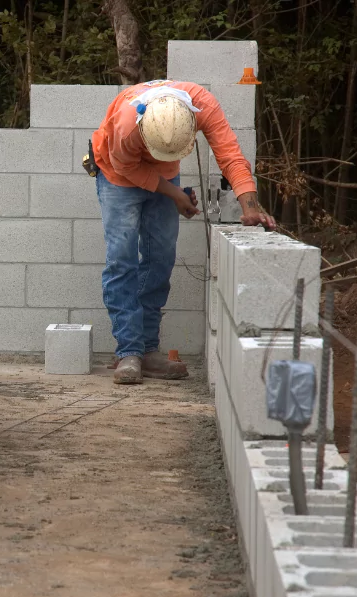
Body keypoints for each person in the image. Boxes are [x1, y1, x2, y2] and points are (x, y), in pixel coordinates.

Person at [91, 79, 276, 385]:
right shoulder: (126, 123)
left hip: (164, 175)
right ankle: (129, 352)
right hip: (118, 176)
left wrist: (251, 206)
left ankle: (148, 351)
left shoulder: (202, 104)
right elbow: (126, 168)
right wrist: (175, 194)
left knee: (160, 258)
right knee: (121, 259)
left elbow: (230, 155)